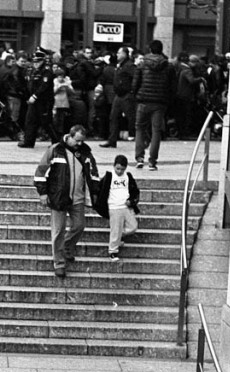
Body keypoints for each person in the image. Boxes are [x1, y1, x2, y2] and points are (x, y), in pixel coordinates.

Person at [33, 124, 100, 277]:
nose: (80, 144)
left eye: (82, 141)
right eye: (77, 140)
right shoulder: (56, 150)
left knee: (79, 226)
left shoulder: (85, 153)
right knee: (58, 231)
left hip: (78, 197)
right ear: (69, 137)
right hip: (59, 197)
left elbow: (93, 173)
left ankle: (67, 248)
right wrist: (43, 193)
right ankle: (59, 263)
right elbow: (40, 171)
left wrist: (94, 193)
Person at [132, 39, 176, 171]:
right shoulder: (168, 66)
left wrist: (136, 95)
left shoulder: (141, 64)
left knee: (139, 129)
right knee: (156, 131)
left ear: (150, 49)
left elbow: (135, 84)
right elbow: (173, 87)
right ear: (161, 50)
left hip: (143, 101)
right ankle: (152, 162)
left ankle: (139, 159)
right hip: (159, 103)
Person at [95, 154, 141, 259]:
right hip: (114, 206)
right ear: (114, 166)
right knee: (116, 229)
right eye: (118, 168)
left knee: (133, 226)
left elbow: (135, 191)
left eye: (122, 169)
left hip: (126, 206)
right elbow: (99, 189)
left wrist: (131, 201)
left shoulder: (128, 176)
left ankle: (118, 237)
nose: (119, 171)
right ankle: (113, 250)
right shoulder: (109, 176)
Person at [101, 46, 136, 148]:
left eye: (119, 53)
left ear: (125, 54)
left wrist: (132, 90)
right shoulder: (119, 65)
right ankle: (112, 140)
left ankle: (142, 137)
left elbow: (136, 78)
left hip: (126, 94)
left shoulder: (129, 66)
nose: (117, 54)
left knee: (131, 117)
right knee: (113, 117)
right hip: (118, 94)